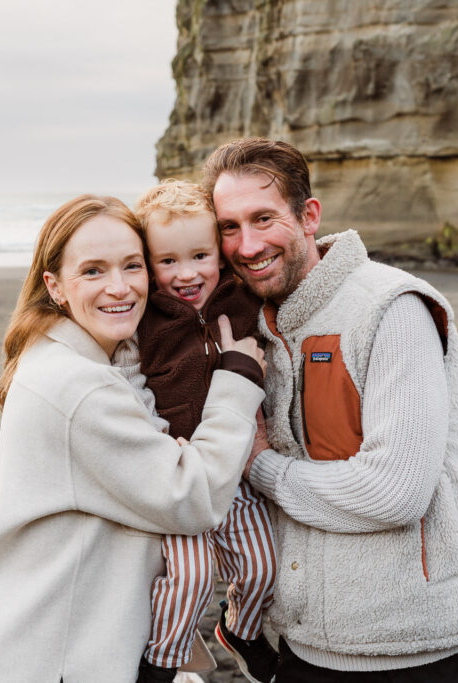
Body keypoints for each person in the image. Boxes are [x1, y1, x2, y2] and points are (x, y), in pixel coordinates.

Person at [202, 138, 458, 682]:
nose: (247, 245)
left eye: (263, 218)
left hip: (414, 654)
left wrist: (261, 465)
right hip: (303, 648)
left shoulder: (391, 309)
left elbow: (395, 491)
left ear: (309, 216)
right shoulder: (257, 328)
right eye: (229, 227)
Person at [0, 195, 267, 683]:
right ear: (54, 285)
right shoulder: (78, 386)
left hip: (45, 633)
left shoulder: (78, 356)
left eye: (131, 266)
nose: (119, 287)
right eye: (93, 271)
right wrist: (237, 384)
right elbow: (191, 498)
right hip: (54, 654)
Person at [120, 180, 278, 683]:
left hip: (236, 474)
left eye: (200, 256)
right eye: (168, 262)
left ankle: (241, 630)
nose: (187, 275)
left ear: (219, 253)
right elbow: (124, 385)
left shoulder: (243, 301)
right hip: (180, 476)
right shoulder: (143, 323)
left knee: (261, 567)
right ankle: (163, 662)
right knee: (189, 578)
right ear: (147, 262)